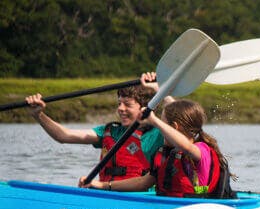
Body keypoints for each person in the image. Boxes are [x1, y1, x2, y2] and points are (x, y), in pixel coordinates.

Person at [25, 72, 171, 182]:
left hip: (139, 197)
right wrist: (38, 115)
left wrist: (160, 90)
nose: (120, 108)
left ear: (146, 107)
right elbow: (63, 136)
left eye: (127, 104)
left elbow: (180, 119)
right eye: (119, 103)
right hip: (106, 195)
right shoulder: (110, 131)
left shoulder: (158, 133)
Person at [80, 99, 234, 198]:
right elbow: (143, 183)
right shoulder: (166, 153)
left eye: (163, 124)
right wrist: (102, 185)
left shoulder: (201, 150)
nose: (160, 131)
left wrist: (153, 121)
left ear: (174, 127)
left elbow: (185, 145)